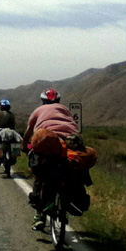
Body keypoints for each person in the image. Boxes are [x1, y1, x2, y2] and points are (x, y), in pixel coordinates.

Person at [20, 88, 79, 230]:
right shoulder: (64, 109)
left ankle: (39, 215)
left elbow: (29, 132)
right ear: (58, 100)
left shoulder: (38, 110)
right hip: (69, 141)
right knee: (72, 168)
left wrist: (24, 146)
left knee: (40, 175)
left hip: (47, 141)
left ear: (42, 101)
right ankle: (73, 200)